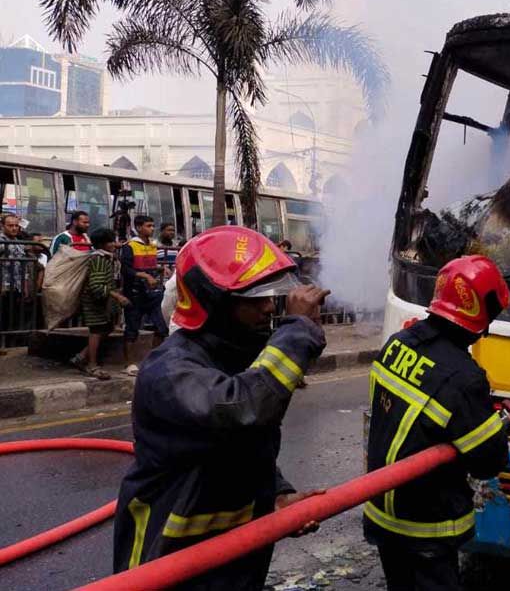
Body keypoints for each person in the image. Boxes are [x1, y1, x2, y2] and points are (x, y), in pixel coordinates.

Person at [112, 226, 330, 587]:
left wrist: (275, 494)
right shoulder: (169, 371)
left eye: (270, 296)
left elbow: (240, 446)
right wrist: (298, 332)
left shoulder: (234, 356)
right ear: (214, 302)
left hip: (233, 556)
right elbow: (244, 410)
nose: (267, 307)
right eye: (252, 298)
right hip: (168, 557)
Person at [365, 255, 510, 591]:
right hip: (426, 526)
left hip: (381, 513)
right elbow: (487, 461)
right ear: (479, 315)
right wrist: (504, 423)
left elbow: (421, 410)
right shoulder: (464, 377)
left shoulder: (398, 343)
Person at [68, 228, 129, 380]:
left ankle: (81, 357)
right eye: (111, 241)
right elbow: (96, 285)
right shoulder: (100, 260)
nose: (114, 244)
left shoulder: (106, 257)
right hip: (95, 302)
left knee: (106, 328)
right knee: (97, 330)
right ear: (102, 244)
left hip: (101, 302)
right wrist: (117, 296)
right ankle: (92, 365)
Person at [118, 215, 169, 376]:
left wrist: (159, 269)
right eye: (148, 226)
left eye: (153, 226)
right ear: (139, 227)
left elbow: (149, 265)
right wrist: (145, 276)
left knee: (161, 328)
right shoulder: (130, 246)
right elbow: (126, 270)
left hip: (152, 293)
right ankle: (129, 363)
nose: (152, 229)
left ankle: (152, 361)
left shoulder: (153, 245)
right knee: (132, 328)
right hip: (135, 292)